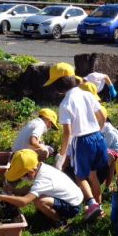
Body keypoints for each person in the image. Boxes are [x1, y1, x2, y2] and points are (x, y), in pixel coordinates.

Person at [44, 62, 107, 221]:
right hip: (98, 137)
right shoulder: (87, 94)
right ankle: (99, 204)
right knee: (93, 174)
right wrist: (98, 130)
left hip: (82, 141)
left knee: (80, 177)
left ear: (58, 86)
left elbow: (67, 132)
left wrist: (63, 153)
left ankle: (92, 205)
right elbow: (103, 116)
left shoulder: (65, 103)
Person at [0, 149, 83, 226]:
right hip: (73, 198)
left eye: (22, 176)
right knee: (36, 194)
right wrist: (14, 190)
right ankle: (52, 212)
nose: (22, 178)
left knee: (39, 201)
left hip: (73, 207)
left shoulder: (43, 180)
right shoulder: (42, 168)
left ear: (30, 172)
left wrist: (1, 197)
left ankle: (59, 220)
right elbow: (32, 188)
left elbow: (23, 202)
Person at [98, 106, 118, 189]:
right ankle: (107, 186)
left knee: (107, 156)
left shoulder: (108, 131)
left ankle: (103, 180)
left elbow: (104, 148)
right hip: (112, 151)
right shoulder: (103, 128)